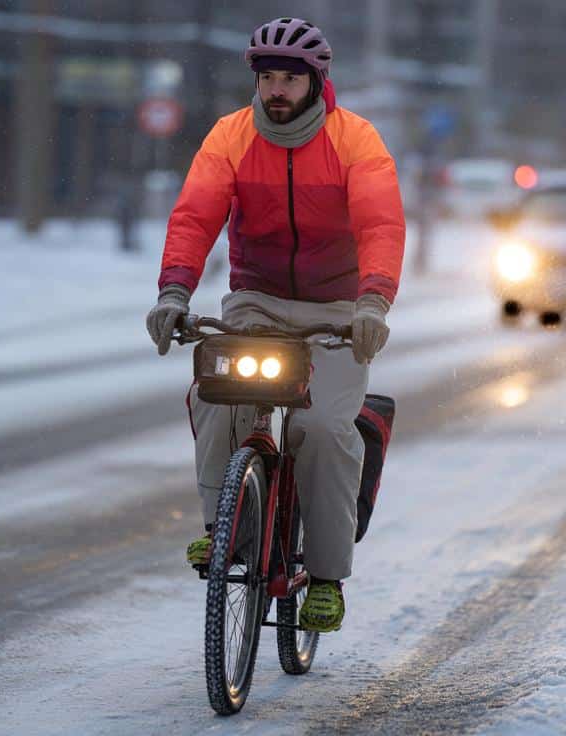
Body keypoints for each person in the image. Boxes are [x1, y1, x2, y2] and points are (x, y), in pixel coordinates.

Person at [145, 17, 404, 633]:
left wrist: (372, 304)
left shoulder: (356, 140)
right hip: (256, 300)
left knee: (321, 427)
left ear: (316, 82)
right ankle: (224, 530)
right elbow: (193, 216)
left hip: (338, 312)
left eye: (290, 78)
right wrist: (174, 292)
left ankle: (326, 578)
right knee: (217, 398)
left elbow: (380, 226)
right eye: (268, 79)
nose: (277, 90)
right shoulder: (230, 137)